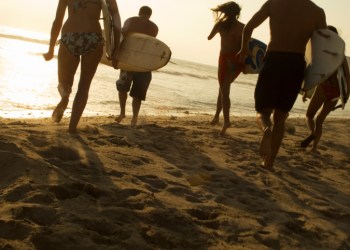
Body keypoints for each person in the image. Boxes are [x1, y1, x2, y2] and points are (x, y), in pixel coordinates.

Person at [237, 0, 327, 170]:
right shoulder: (317, 12)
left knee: (262, 112)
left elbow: (248, 27)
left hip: (274, 60)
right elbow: (322, 48)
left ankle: (265, 130)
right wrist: (311, 79)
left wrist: (244, 49)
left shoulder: (274, 3)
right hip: (296, 65)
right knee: (280, 117)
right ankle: (269, 163)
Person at [43, 0, 121, 133]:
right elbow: (116, 21)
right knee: (84, 86)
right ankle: (72, 128)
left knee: (63, 81)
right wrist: (115, 50)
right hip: (93, 38)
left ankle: (65, 97)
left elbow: (58, 20)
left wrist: (50, 49)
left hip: (69, 36)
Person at [301, 26, 350, 152]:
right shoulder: (341, 56)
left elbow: (314, 73)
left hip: (324, 87)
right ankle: (314, 147)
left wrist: (306, 89)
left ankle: (312, 133)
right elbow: (347, 75)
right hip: (336, 91)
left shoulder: (322, 53)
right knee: (320, 120)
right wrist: (346, 94)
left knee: (309, 115)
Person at [115, 6, 158, 127]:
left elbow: (121, 38)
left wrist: (115, 58)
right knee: (138, 94)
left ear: (139, 12)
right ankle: (134, 119)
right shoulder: (154, 27)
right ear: (150, 15)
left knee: (123, 87)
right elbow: (150, 46)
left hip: (128, 62)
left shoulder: (130, 21)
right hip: (144, 64)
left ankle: (122, 113)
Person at [207, 2, 245, 135]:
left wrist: (217, 28)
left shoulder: (220, 25)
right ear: (237, 13)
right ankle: (217, 116)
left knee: (224, 91)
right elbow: (245, 47)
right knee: (223, 88)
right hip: (237, 62)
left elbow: (209, 37)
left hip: (225, 60)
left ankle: (226, 121)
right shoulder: (243, 27)